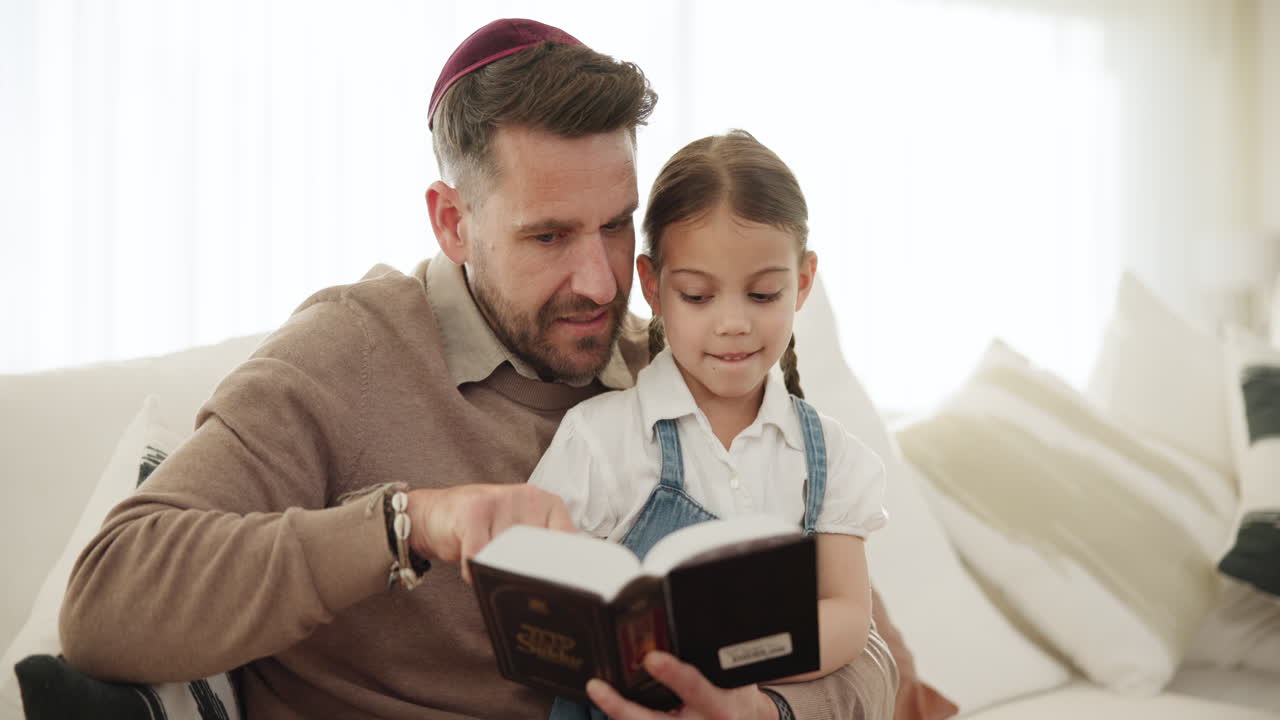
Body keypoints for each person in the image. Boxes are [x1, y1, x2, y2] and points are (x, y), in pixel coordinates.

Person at [59, 18, 898, 720]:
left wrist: (774, 712)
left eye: (615, 226)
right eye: (548, 236)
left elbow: (869, 651)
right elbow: (106, 601)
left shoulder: (669, 367)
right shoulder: (343, 355)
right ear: (453, 222)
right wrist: (405, 524)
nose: (600, 282)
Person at [530, 131, 886, 719]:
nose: (733, 324)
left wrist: (732, 676)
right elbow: (549, 604)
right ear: (653, 285)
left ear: (801, 282)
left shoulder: (831, 458)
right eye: (698, 296)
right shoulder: (599, 440)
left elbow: (848, 612)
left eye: (763, 293)